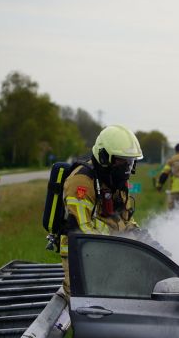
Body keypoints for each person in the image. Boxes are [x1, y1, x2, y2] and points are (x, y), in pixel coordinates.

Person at [60, 125, 143, 296]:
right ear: (104, 157)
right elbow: (81, 229)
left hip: (108, 252)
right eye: (122, 161)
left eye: (130, 162)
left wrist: (145, 241)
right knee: (87, 307)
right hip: (81, 257)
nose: (127, 168)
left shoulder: (115, 180)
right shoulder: (81, 182)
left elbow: (126, 220)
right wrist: (121, 248)